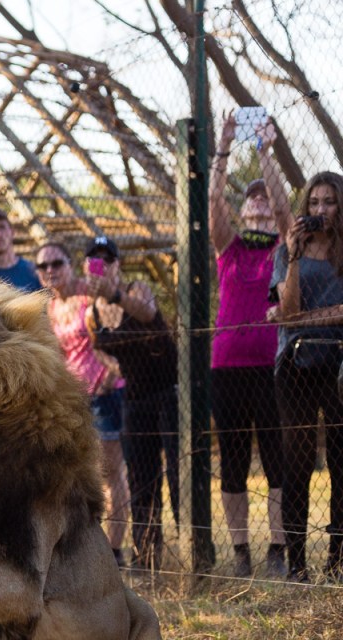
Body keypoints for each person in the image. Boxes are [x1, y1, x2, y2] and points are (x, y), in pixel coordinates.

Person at [209, 112, 291, 578]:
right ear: (243, 212)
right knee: (235, 461)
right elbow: (214, 198)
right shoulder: (231, 247)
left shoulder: (281, 244)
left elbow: (284, 208)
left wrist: (264, 149)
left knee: (277, 458)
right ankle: (240, 552)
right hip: (228, 367)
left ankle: (277, 549)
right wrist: (223, 149)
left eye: (263, 197)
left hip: (271, 365)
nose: (259, 202)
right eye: (251, 198)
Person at [83, 236, 179, 571]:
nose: (102, 264)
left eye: (107, 259)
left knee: (178, 472)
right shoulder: (92, 313)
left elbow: (148, 313)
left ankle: (191, 544)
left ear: (118, 265)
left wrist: (114, 294)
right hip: (134, 397)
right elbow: (99, 348)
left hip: (168, 392)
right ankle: (146, 553)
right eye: (94, 260)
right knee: (141, 477)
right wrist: (114, 369)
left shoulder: (137, 289)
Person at [36, 241, 130, 566]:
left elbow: (114, 335)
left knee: (110, 472)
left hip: (106, 394)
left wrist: (111, 372)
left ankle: (115, 551)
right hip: (73, 401)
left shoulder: (87, 297)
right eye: (44, 266)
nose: (51, 271)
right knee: (78, 474)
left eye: (57, 263)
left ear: (70, 265)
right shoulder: (49, 308)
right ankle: (86, 547)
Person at [269, 171, 343, 583]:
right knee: (296, 462)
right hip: (295, 365)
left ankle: (338, 560)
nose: (319, 211)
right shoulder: (287, 251)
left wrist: (302, 319)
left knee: (342, 462)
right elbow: (289, 310)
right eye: (313, 203)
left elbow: (296, 317)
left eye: (328, 202)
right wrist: (294, 255)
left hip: (339, 364)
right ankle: (297, 563)